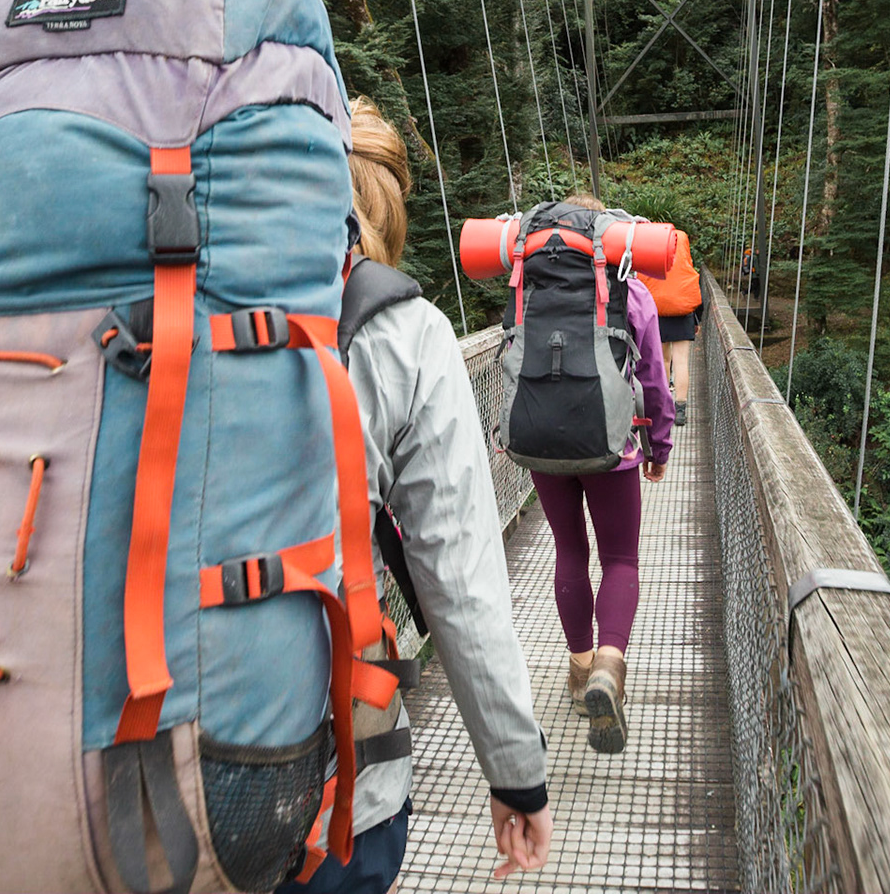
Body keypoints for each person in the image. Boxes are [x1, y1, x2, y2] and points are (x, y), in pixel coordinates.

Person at [282, 98, 552, 893]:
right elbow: (462, 585)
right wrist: (516, 775)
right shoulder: (401, 330)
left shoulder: (156, 301)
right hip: (328, 799)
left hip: (124, 793)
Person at [532, 194, 674, 756]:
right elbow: (655, 380)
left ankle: (578, 668)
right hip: (613, 446)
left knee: (569, 551)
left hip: (541, 446)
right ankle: (609, 671)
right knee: (620, 560)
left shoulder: (529, 289)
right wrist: (660, 445)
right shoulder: (630, 292)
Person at [638, 226, 703, 427]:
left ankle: (664, 406)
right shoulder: (684, 263)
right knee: (681, 362)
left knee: (664, 360)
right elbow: (695, 289)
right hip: (682, 312)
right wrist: (697, 320)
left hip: (656, 311)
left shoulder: (650, 263)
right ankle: (680, 410)